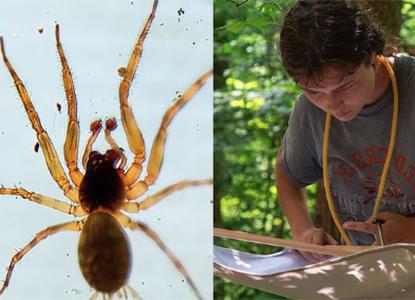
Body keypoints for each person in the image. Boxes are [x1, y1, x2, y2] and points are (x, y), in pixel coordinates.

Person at [276, 0, 415, 261]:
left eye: (344, 87)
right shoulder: (310, 110)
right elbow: (287, 174)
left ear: (372, 56)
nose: (331, 104)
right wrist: (302, 229)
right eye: (314, 91)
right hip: (362, 273)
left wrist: (411, 231)